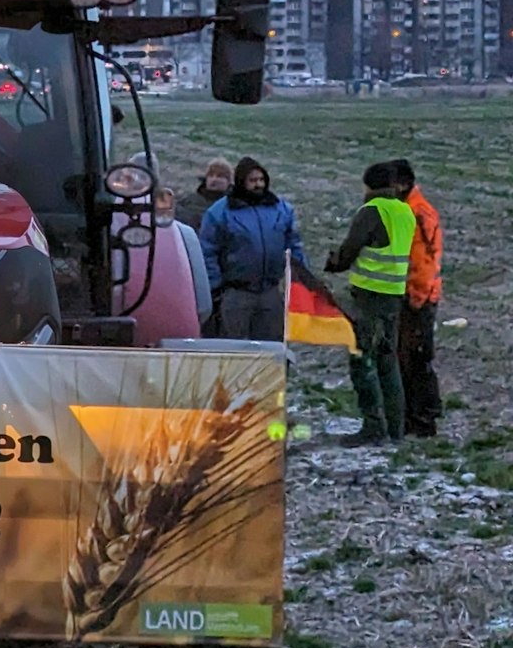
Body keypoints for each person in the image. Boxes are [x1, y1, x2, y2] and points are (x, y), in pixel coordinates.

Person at [324, 161, 417, 446]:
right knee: (388, 362)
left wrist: (333, 262)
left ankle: (373, 426)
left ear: (368, 185)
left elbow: (350, 250)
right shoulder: (405, 211)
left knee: (362, 360)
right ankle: (395, 429)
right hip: (394, 296)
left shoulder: (372, 211)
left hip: (369, 299)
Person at [199, 157, 307, 341]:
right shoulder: (220, 212)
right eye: (252, 180)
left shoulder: (281, 209)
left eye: (261, 180)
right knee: (235, 346)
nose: (258, 185)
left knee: (271, 345)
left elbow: (293, 244)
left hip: (270, 291)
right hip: (235, 292)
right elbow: (208, 251)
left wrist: (301, 278)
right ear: (241, 182)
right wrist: (215, 287)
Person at [390, 159, 443, 437]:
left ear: (402, 184)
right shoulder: (410, 209)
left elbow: (425, 260)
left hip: (418, 298)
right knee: (409, 358)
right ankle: (418, 415)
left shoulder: (417, 213)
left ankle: (423, 419)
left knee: (417, 359)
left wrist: (417, 297)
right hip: (414, 295)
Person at [176, 157, 233, 231]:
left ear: (228, 181)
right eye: (211, 175)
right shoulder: (188, 200)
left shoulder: (231, 205)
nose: (214, 179)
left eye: (220, 176)